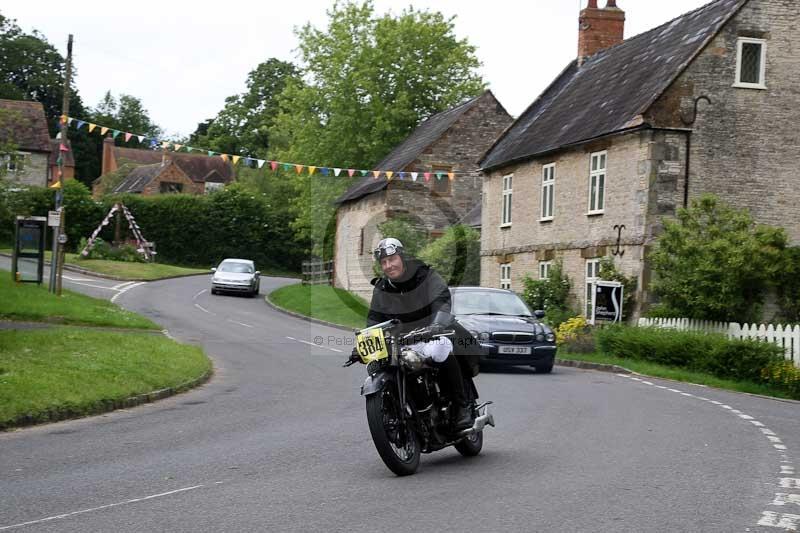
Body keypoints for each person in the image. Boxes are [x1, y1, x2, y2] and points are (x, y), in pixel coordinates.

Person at [358, 237, 474, 430]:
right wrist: (363, 343)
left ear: (402, 257)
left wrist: (438, 323)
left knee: (440, 350)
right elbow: (374, 319)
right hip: (402, 341)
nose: (388, 265)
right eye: (384, 262)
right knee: (386, 365)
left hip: (430, 333)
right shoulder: (382, 288)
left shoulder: (425, 276)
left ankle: (462, 406)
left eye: (392, 259)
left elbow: (441, 299)